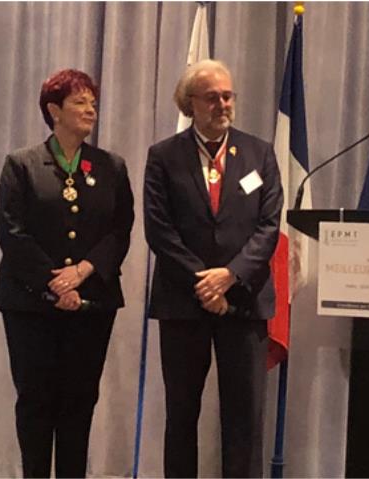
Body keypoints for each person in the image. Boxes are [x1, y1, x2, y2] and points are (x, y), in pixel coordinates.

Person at [144, 59, 283, 478]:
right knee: (181, 415)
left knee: (245, 420)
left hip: (244, 302)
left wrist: (230, 277)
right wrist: (203, 283)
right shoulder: (164, 157)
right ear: (189, 104)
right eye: (212, 97)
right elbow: (159, 229)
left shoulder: (259, 152)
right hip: (183, 304)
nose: (222, 104)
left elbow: (269, 227)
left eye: (227, 95)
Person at [0, 69, 134, 478]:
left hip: (93, 302)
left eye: (92, 101)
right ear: (54, 111)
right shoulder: (22, 164)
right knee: (36, 402)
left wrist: (84, 273)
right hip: (29, 304)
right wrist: (55, 284)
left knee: (78, 402)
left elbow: (120, 229)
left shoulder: (111, 166)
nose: (90, 108)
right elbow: (11, 230)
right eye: (79, 102)